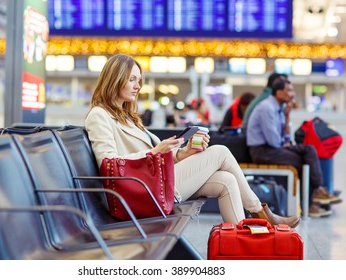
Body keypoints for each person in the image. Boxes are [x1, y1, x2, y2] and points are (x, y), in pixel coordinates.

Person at [84, 54, 300, 228]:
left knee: (226, 180)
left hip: (155, 182)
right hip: (141, 191)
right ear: (114, 78)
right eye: (132, 79)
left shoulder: (128, 116)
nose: (138, 85)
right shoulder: (99, 115)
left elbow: (157, 156)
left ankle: (241, 246)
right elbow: (108, 164)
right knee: (221, 152)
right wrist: (155, 152)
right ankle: (260, 212)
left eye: (139, 80)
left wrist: (183, 153)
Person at [246, 79, 342, 218]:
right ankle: (314, 198)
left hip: (272, 149)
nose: (292, 94)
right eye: (289, 90)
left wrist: (287, 116)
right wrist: (285, 144)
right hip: (262, 151)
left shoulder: (279, 109)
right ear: (279, 93)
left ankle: (315, 195)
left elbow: (285, 137)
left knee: (308, 150)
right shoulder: (267, 108)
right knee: (305, 158)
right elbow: (273, 141)